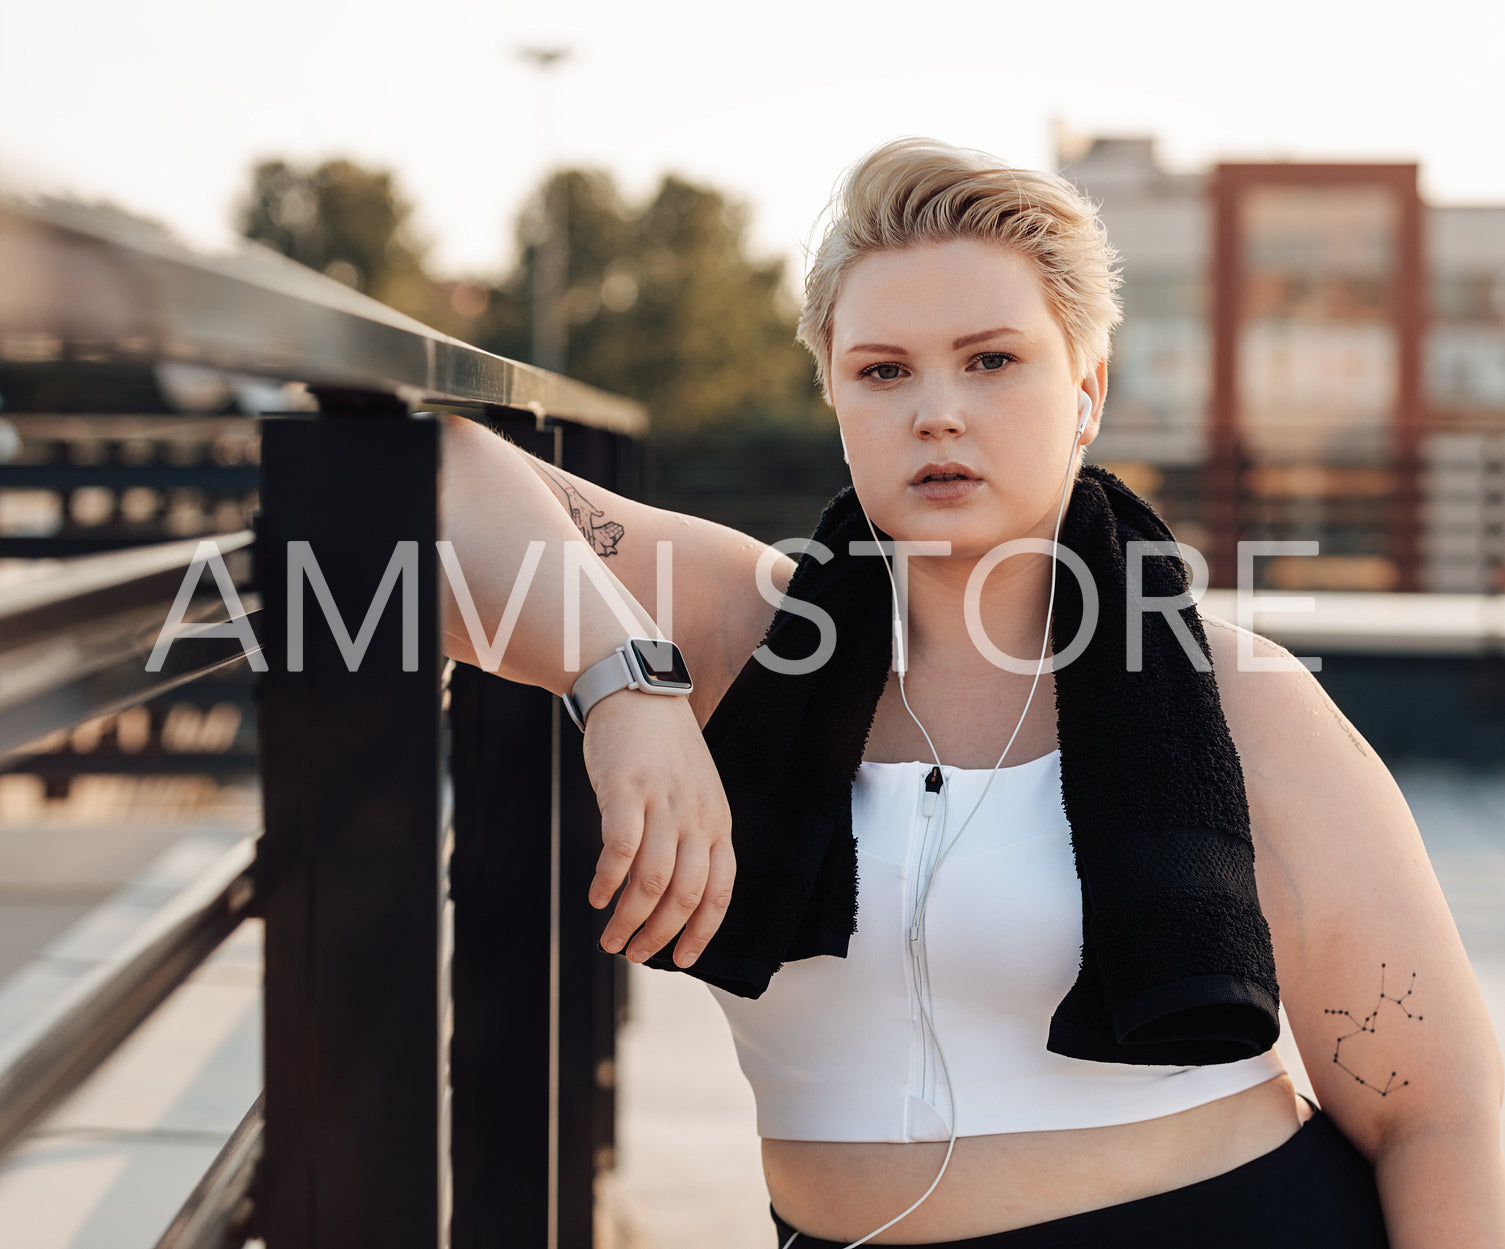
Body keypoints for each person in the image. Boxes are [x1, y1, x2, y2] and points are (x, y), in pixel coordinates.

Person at [438, 138, 1505, 1247]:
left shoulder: (1243, 702)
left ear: (1084, 392)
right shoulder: (739, 633)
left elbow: (1433, 1115)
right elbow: (432, 473)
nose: (935, 412)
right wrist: (626, 685)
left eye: (990, 361)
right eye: (882, 369)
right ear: (835, 397)